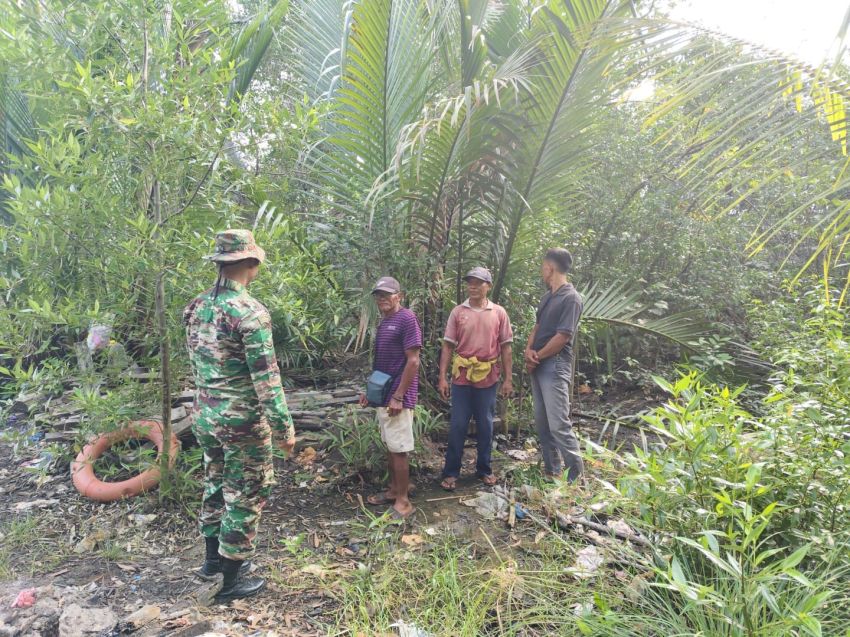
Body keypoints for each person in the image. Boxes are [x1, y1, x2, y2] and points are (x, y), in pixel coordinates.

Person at [183, 229, 296, 602]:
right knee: (247, 491)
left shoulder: (196, 306)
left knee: (215, 481)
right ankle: (231, 581)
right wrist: (284, 429)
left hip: (205, 415)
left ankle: (211, 561)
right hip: (241, 420)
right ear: (251, 263)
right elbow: (267, 380)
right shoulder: (249, 312)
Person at [438, 267, 513, 491]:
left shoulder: (498, 312)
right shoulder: (458, 312)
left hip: (488, 376)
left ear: (487, 286)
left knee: (486, 424)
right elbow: (448, 345)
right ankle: (451, 472)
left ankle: (484, 469)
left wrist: (508, 379)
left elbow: (506, 347)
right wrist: (442, 377)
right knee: (458, 424)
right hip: (461, 375)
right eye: (470, 282)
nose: (473, 286)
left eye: (478, 282)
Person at [359, 276, 422, 520]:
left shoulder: (407, 319)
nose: (382, 299)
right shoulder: (385, 322)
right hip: (384, 395)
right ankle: (395, 490)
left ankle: (404, 502)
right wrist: (370, 393)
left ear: (399, 296)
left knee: (399, 449)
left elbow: (413, 360)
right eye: (378, 295)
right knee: (391, 446)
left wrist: (398, 396)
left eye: (387, 294)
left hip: (398, 396)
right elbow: (382, 365)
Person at [524, 248, 584, 482]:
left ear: (550, 267)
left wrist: (536, 355)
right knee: (543, 422)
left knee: (559, 424)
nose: (542, 271)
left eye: (542, 267)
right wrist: (529, 351)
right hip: (539, 365)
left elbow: (563, 337)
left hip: (555, 365)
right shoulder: (547, 297)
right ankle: (552, 471)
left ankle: (576, 481)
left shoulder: (571, 298)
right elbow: (537, 328)